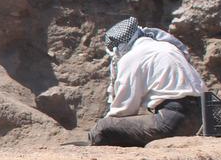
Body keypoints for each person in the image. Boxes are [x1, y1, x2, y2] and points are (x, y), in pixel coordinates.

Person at [87, 17, 206, 147]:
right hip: (203, 117)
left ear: (118, 47)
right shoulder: (166, 46)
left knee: (103, 127)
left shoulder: (132, 58)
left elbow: (123, 110)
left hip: (174, 120)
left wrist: (104, 125)